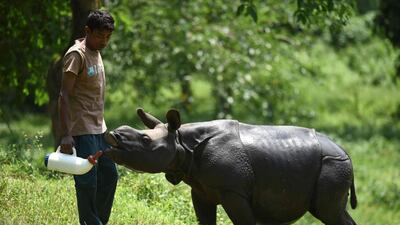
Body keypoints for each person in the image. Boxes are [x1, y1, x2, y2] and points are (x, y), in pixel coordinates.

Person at [58, 10, 118, 225]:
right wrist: (66, 134)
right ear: (87, 31)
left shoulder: (96, 50)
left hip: (100, 129)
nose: (104, 41)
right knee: (87, 182)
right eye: (100, 36)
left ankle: (97, 222)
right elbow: (64, 95)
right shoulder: (77, 55)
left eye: (107, 37)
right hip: (82, 130)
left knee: (109, 176)